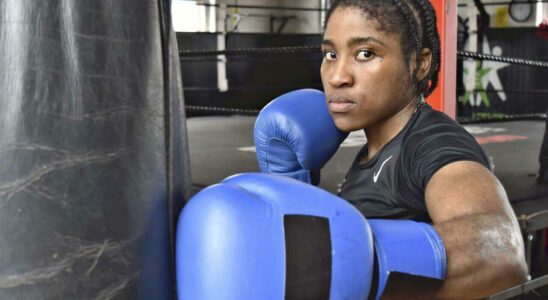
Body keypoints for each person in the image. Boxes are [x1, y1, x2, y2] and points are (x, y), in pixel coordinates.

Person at [320, 0, 527, 299]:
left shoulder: (432, 142)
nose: (337, 76)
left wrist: (339, 266)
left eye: (365, 53)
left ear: (420, 63)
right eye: (330, 54)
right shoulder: (380, 144)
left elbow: (502, 253)